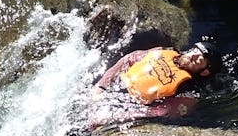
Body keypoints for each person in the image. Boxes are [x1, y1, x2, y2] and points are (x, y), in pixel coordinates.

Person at [89, 41, 220, 124]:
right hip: (112, 88)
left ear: (204, 72)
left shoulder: (189, 93)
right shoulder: (165, 51)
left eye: (199, 60)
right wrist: (101, 87)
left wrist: (114, 116)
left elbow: (160, 112)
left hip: (125, 107)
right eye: (195, 50)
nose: (192, 55)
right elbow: (128, 59)